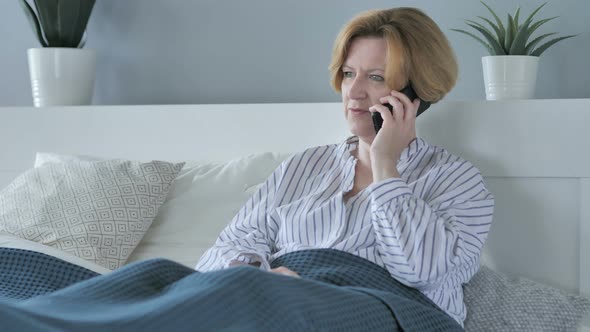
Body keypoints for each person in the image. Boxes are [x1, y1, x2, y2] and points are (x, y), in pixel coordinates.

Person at [196, 7, 494, 327]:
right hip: (281, 304)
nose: (353, 91)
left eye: (376, 77)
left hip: (380, 312)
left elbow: (422, 272)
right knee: (150, 277)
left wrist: (384, 163)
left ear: (416, 93)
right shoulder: (305, 165)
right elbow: (227, 248)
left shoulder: (456, 180)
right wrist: (260, 277)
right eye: (349, 74)